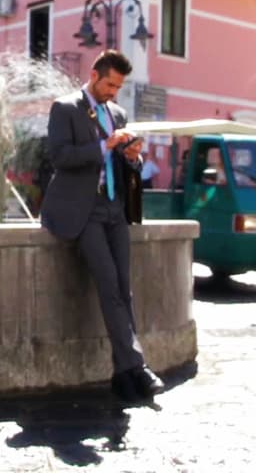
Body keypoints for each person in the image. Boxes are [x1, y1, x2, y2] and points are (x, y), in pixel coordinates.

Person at [40, 49, 163, 405]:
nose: (114, 92)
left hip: (114, 208)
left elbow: (127, 168)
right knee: (109, 285)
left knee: (124, 290)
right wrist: (102, 146)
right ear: (94, 76)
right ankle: (137, 368)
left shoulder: (119, 114)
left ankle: (123, 375)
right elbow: (59, 157)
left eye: (119, 87)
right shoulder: (65, 108)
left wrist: (132, 157)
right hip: (83, 210)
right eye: (110, 84)